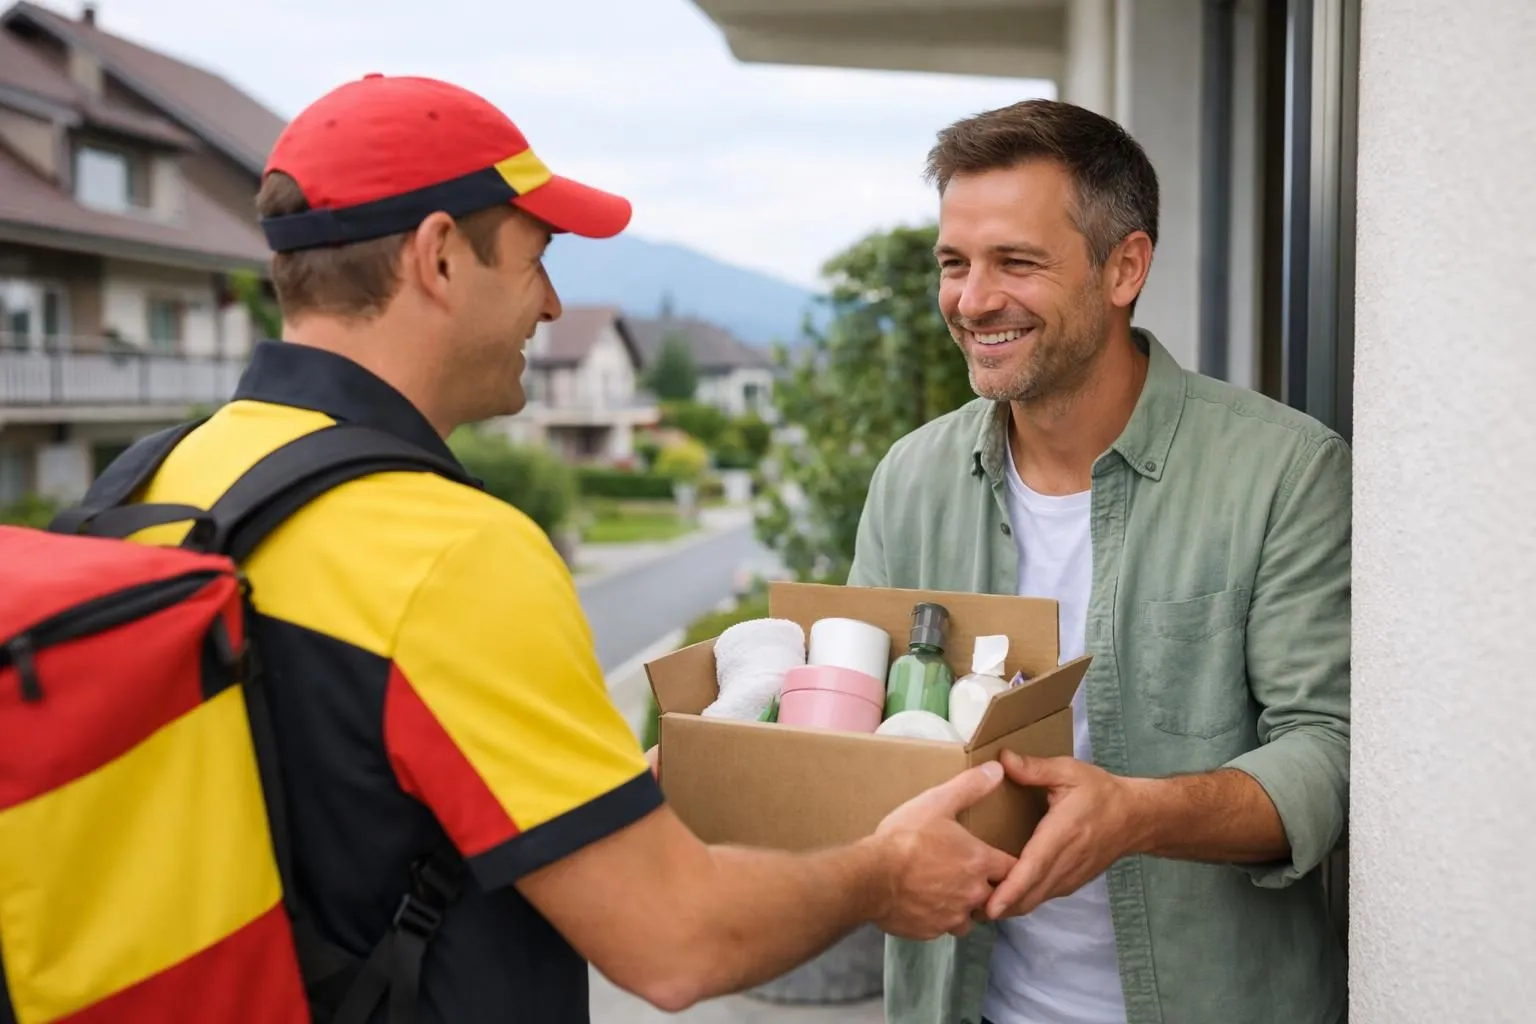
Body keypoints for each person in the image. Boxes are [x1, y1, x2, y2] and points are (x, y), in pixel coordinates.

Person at [121, 74, 1019, 1022]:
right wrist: (885, 872)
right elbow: (677, 944)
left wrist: (599, 807)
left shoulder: (157, 484)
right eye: (533, 259)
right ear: (438, 258)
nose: (551, 304)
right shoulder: (450, 554)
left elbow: (313, 799)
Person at [847, 98, 1351, 1024]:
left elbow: (1332, 753)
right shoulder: (910, 478)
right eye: (955, 263)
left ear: (1126, 267)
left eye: (1018, 262)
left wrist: (1138, 814)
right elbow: (859, 730)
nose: (972, 299)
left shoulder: (1284, 471)